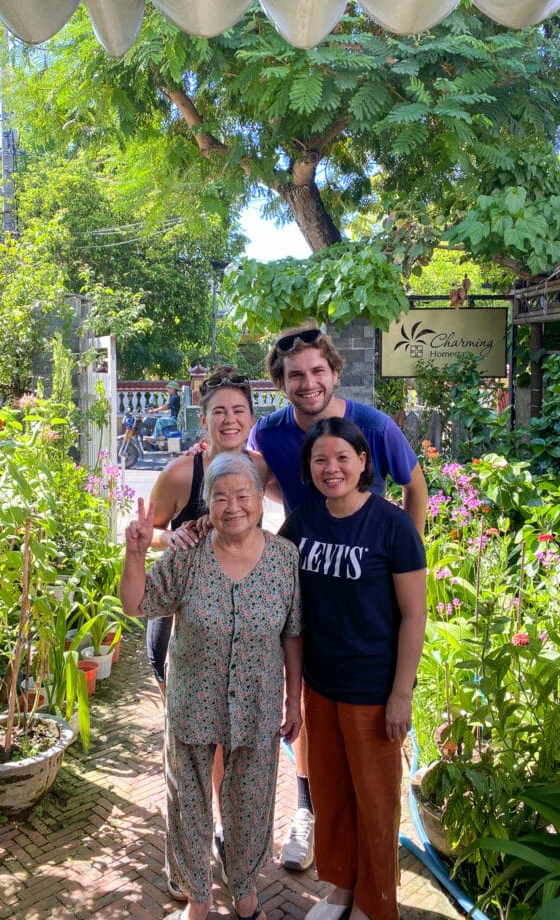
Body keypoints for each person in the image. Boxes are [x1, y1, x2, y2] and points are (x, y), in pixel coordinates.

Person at [247, 323, 428, 872]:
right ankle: (308, 810)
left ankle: (369, 856)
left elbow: (415, 486)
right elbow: (247, 482)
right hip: (312, 582)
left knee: (366, 726)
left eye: (317, 371)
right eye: (295, 375)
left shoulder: (371, 425)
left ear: (332, 371)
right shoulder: (270, 431)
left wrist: (405, 561)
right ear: (281, 382)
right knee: (312, 711)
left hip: (367, 584)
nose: (308, 383)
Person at [120, 454, 302, 920]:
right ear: (207, 505)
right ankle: (198, 898)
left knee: (251, 804)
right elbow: (137, 604)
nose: (233, 506)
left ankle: (245, 892)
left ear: (260, 501)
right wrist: (136, 553)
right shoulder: (186, 555)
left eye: (243, 495)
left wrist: (293, 700)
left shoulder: (284, 558)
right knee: (189, 805)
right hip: (192, 702)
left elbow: (293, 633)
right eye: (221, 497)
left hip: (258, 705)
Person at [279, 418, 426, 920]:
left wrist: (401, 694)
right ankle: (342, 888)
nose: (332, 468)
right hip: (321, 686)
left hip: (373, 690)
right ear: (309, 468)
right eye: (320, 460)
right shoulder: (302, 523)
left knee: (375, 804)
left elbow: (414, 614)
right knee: (332, 797)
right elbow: (268, 575)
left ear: (364, 461)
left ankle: (375, 901)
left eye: (343, 457)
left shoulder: (393, 526)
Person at [145, 367, 274, 894]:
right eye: (218, 410)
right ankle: (185, 854)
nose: (229, 419)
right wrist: (168, 541)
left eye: (238, 410)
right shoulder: (183, 474)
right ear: (205, 418)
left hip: (240, 633)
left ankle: (220, 833)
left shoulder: (264, 470)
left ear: (251, 417)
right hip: (183, 627)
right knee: (185, 747)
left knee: (226, 743)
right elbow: (145, 530)